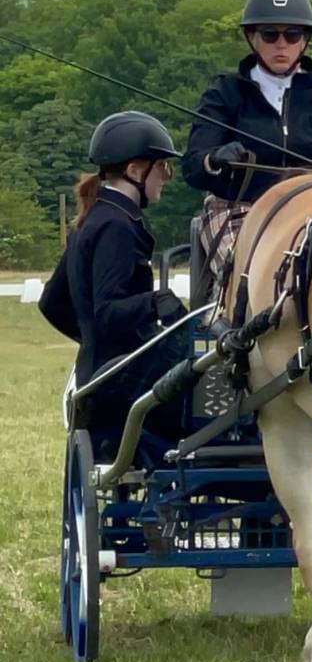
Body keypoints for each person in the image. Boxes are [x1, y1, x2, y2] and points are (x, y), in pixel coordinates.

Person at [181, 0, 312, 298]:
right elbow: (193, 166)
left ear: (304, 41)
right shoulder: (225, 92)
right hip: (240, 210)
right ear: (252, 38)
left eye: (292, 35)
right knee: (261, 279)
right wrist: (216, 158)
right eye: (270, 35)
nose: (281, 44)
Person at [39, 110, 190, 442]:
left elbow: (51, 302)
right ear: (135, 170)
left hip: (98, 374)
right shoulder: (116, 226)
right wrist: (155, 302)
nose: (166, 176)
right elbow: (107, 310)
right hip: (121, 385)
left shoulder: (96, 218)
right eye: (162, 167)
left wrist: (93, 342)